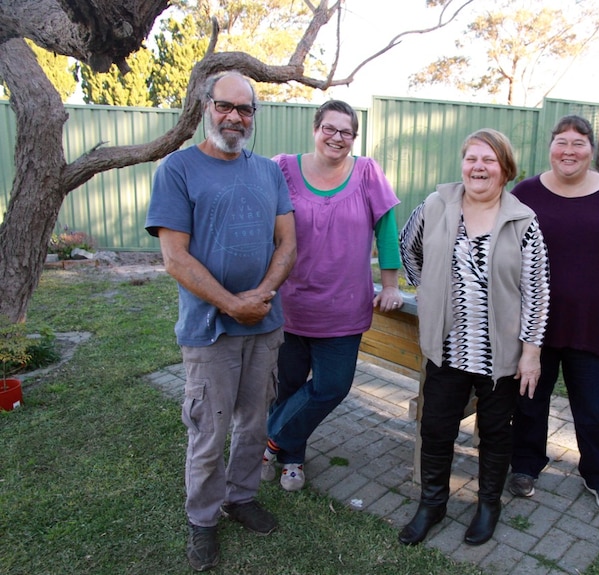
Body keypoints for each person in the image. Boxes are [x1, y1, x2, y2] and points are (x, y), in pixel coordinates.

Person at [145, 71, 297, 572]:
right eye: (225, 106)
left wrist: (263, 295)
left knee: (254, 424)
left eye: (245, 109)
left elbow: (287, 244)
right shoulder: (179, 169)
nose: (234, 116)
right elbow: (175, 258)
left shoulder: (269, 173)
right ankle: (204, 520)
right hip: (210, 330)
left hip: (265, 324)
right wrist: (234, 304)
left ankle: (241, 497)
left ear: (254, 115)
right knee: (208, 433)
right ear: (205, 107)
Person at [397, 129, 550, 546]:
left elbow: (537, 291)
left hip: (500, 354)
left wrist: (531, 353)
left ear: (504, 170)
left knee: (497, 432)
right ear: (463, 164)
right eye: (472, 159)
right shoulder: (436, 205)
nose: (478, 167)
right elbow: (407, 248)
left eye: (489, 161)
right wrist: (427, 290)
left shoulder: (523, 221)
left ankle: (487, 506)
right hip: (446, 348)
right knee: (436, 427)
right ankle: (433, 503)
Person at [506, 115, 599, 514]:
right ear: (550, 147)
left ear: (591, 151)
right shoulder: (525, 194)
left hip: (596, 324)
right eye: (561, 142)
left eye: (578, 143)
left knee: (594, 405)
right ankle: (525, 466)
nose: (569, 151)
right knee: (529, 400)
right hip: (536, 324)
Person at [262, 100, 403, 492]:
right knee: (289, 386)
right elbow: (262, 225)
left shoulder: (368, 173)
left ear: (354, 138)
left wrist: (390, 284)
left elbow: (387, 230)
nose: (336, 137)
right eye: (330, 128)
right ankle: (292, 459)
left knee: (332, 387)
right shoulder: (282, 168)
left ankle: (269, 439)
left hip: (343, 309)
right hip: (289, 306)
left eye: (346, 132)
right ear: (315, 128)